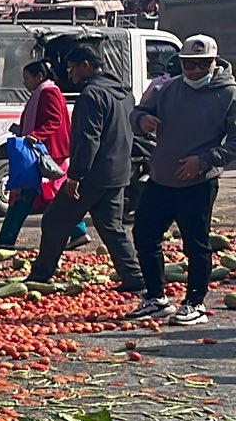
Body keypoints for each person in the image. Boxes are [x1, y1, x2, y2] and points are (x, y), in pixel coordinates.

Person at [129, 33, 236, 324]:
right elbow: (137, 114)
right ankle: (156, 298)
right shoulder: (166, 88)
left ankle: (195, 303)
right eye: (190, 64)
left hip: (198, 183)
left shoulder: (229, 93)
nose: (196, 71)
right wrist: (142, 121)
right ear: (181, 63)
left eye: (203, 64)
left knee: (196, 244)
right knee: (145, 235)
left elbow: (233, 144)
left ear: (215, 62)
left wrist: (203, 161)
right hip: (160, 178)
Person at [28, 45, 143, 294]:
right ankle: (135, 278)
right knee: (112, 229)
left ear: (85, 65)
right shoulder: (124, 93)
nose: (70, 75)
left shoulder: (92, 95)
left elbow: (88, 138)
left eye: (71, 68)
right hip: (118, 171)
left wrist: (76, 175)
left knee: (55, 220)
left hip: (92, 175)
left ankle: (41, 274)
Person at [0, 60, 73, 249]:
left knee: (28, 193)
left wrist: (34, 135)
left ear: (39, 77)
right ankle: (6, 237)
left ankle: (6, 238)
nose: (25, 83)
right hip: (43, 150)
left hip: (48, 152)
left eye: (27, 78)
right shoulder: (45, 92)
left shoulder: (48, 93)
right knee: (38, 193)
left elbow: (54, 120)